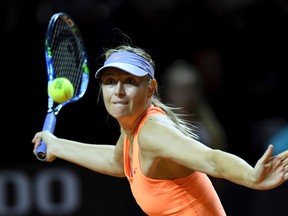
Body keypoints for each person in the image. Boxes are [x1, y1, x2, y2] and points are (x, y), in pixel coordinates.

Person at [32, 44, 288, 216]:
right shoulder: (132, 126)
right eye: (110, 82)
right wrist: (57, 145)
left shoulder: (152, 132)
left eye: (130, 82)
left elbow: (210, 158)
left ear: (150, 88)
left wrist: (252, 177)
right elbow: (117, 162)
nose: (118, 91)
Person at [160, 59, 228, 194]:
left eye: (192, 89)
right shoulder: (159, 126)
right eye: (182, 90)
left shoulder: (209, 126)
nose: (188, 96)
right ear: (168, 92)